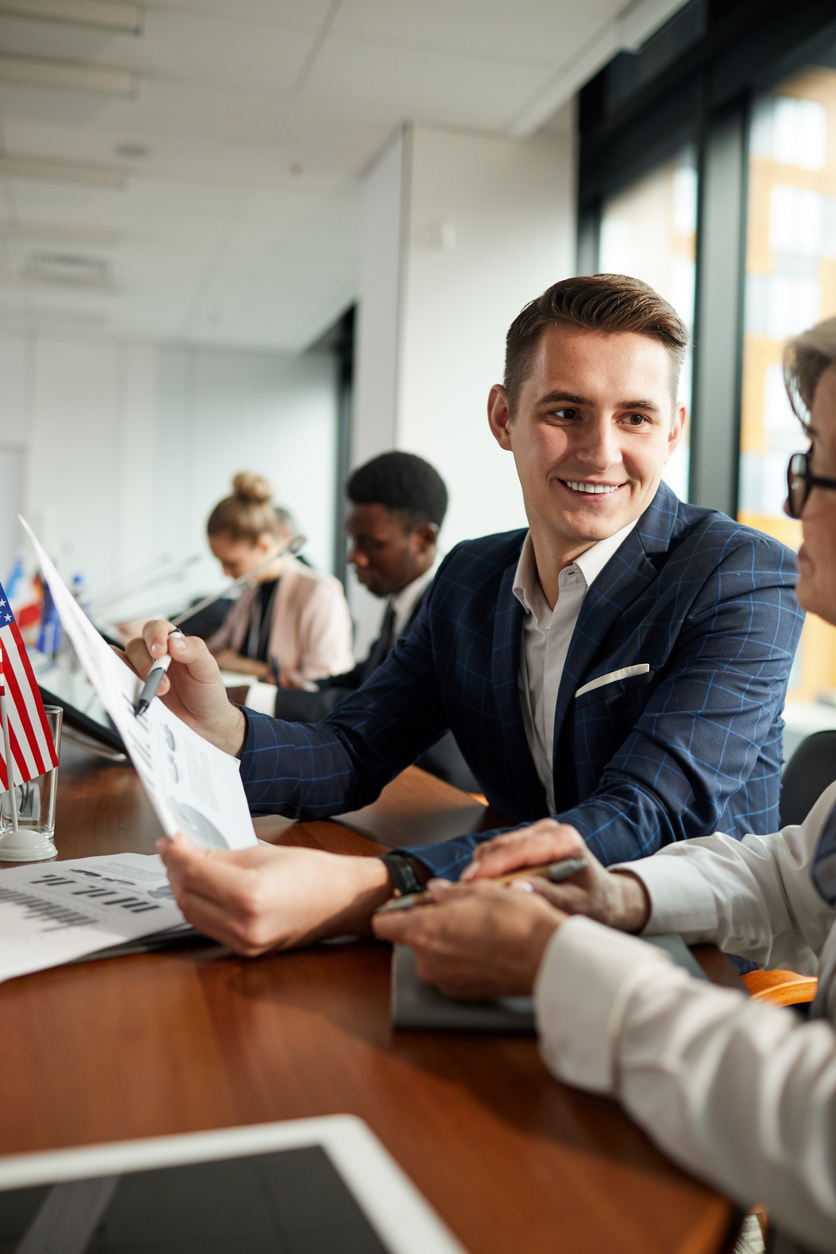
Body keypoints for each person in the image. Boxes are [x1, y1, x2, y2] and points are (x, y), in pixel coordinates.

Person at [129, 274, 803, 954]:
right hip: (505, 935)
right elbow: (355, 750)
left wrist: (374, 887)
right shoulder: (470, 577)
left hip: (692, 963)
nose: (601, 451)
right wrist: (224, 730)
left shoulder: (741, 576)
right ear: (504, 418)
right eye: (566, 412)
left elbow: (644, 817)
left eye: (634, 417)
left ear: (673, 430)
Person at [373, 317, 836, 1254]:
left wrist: (563, 964)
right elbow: (792, 873)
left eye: (813, 474)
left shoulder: (728, 573)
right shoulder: (476, 574)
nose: (795, 511)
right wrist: (620, 894)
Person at [273, 450, 478, 792]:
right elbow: (370, 676)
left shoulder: (451, 612)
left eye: (371, 543)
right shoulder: (401, 597)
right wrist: (305, 686)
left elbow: (391, 708)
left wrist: (268, 699)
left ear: (424, 539)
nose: (354, 556)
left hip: (437, 794)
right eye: (353, 539)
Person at [204, 473, 354, 684]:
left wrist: (248, 667)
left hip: (288, 715)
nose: (225, 573)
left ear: (264, 546)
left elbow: (322, 684)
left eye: (231, 563)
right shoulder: (251, 588)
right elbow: (218, 649)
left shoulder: (320, 592)